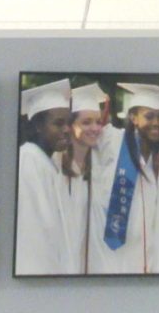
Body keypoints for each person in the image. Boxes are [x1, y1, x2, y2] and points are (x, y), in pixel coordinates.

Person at [88, 83, 159, 274]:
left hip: (148, 258)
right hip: (112, 258)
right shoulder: (112, 139)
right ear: (133, 118)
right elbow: (83, 139)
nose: (156, 123)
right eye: (149, 116)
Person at [15, 79, 75, 275]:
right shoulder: (28, 160)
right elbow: (35, 232)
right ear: (38, 126)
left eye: (69, 123)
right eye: (58, 123)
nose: (67, 129)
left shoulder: (47, 162)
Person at [54, 83, 108, 274]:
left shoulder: (100, 167)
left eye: (98, 122)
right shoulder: (55, 167)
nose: (95, 128)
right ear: (70, 126)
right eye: (86, 122)